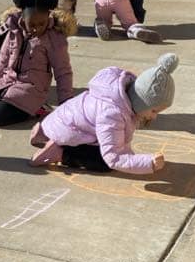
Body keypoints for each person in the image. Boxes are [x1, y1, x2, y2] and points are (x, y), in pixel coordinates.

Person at [30, 52, 179, 174]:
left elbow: (120, 141)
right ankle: (59, 153)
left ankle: (44, 134)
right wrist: (147, 163)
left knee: (105, 146)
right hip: (65, 130)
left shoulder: (121, 98)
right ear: (141, 102)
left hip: (58, 123)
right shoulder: (112, 113)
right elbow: (114, 158)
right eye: (154, 110)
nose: (154, 116)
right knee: (103, 163)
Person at [0, 0, 74, 127]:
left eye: (41, 23)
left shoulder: (54, 38)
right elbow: (3, 60)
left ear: (48, 17)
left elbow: (63, 72)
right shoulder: (13, 30)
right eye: (31, 24)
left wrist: (66, 104)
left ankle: (38, 109)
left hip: (31, 89)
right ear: (22, 18)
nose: (36, 28)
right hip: (8, 82)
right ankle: (12, 102)